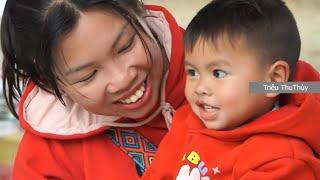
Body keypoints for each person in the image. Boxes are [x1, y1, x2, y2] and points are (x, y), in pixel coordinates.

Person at [1, 0, 187, 179]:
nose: (122, 79)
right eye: (88, 76)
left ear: (137, 11)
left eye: (126, 46)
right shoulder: (48, 160)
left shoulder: (211, 65)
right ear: (50, 82)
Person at [143, 0, 320, 179]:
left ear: (273, 80)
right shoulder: (186, 121)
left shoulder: (282, 160)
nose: (200, 88)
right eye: (193, 72)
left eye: (218, 73)